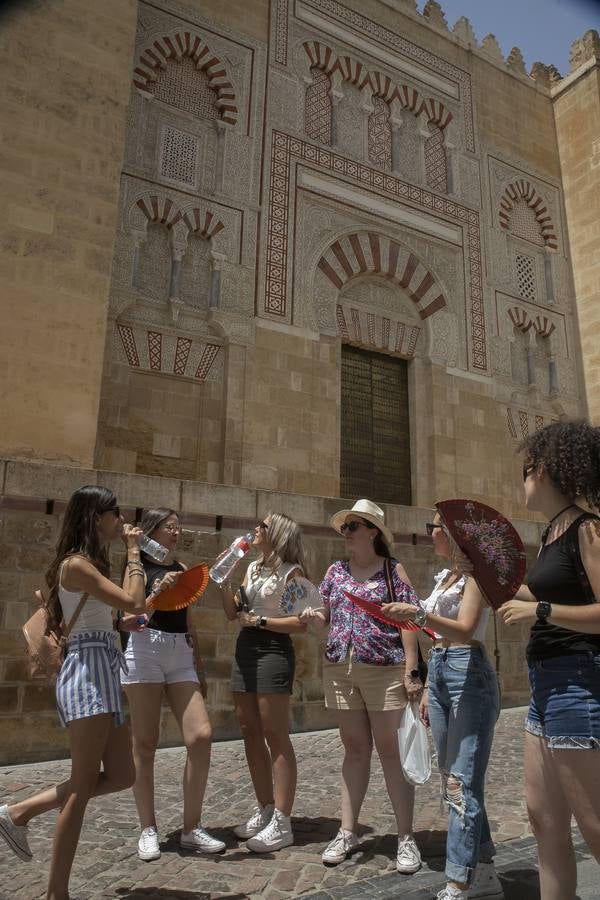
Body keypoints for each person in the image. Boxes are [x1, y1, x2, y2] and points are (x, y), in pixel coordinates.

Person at [0, 485, 149, 900]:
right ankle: (56, 894)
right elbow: (135, 601)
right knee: (81, 789)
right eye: (115, 512)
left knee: (122, 774)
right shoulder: (76, 565)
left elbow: (118, 610)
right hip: (87, 673)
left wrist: (120, 623)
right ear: (96, 517)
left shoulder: (91, 563)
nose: (121, 520)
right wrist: (134, 552)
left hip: (104, 666)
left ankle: (20, 811)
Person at [500, 420, 600, 900]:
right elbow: (533, 592)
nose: (522, 480)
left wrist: (539, 610)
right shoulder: (551, 532)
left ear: (543, 470)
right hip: (545, 687)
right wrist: (485, 572)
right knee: (543, 818)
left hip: (577, 682)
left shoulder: (589, 528)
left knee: (595, 825)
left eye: (525, 470)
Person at [382, 512, 504, 900]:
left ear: (452, 533)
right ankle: (484, 872)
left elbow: (465, 629)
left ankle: (458, 882)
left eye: (434, 526)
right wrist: (427, 684)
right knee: (453, 777)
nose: (429, 532)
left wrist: (417, 614)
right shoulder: (445, 577)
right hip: (441, 668)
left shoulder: (475, 576)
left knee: (460, 782)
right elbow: (436, 633)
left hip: (469, 669)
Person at [303, 499, 424, 875]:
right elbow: (325, 615)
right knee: (354, 749)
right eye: (345, 527)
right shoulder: (335, 571)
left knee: (390, 752)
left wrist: (411, 669)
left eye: (353, 527)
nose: (347, 533)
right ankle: (347, 831)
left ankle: (406, 837)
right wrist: (314, 617)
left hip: (384, 669)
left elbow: (410, 620)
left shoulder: (392, 570)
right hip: (340, 668)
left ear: (373, 532)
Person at [118, 507, 224, 860]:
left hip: (180, 651)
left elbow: (189, 621)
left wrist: (200, 666)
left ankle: (191, 828)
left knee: (201, 735)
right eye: (169, 527)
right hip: (144, 647)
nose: (176, 533)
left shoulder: (181, 568)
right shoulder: (135, 567)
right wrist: (156, 594)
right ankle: (147, 828)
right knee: (145, 742)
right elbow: (130, 618)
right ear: (152, 530)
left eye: (178, 527)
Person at [219, 513, 308, 852]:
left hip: (273, 649)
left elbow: (299, 623)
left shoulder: (292, 573)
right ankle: (266, 808)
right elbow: (233, 612)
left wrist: (259, 621)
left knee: (275, 733)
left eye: (264, 526)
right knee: (249, 729)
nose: (256, 529)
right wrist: (225, 580)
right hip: (246, 648)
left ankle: (283, 822)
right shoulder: (253, 568)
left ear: (279, 534)